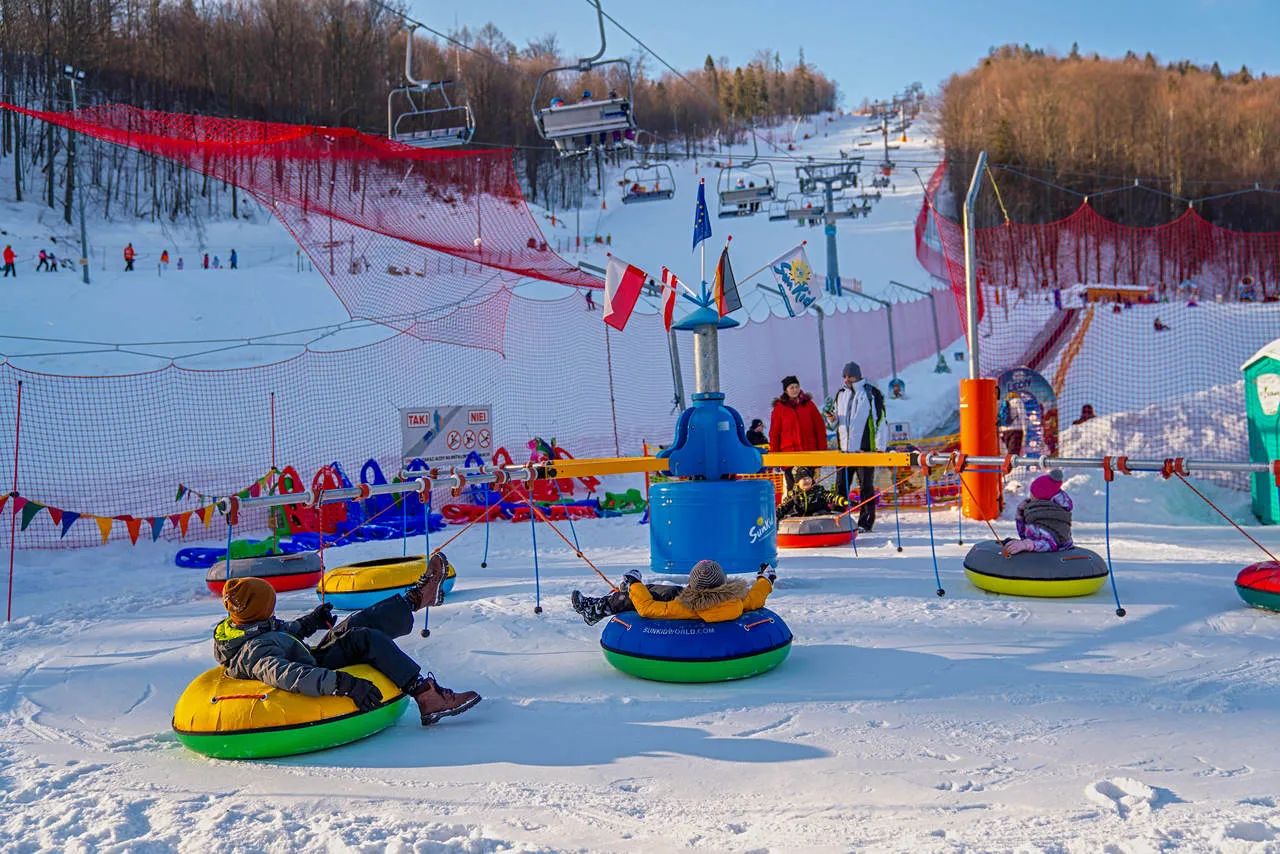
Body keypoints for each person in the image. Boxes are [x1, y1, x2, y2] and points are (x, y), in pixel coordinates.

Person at [213, 553, 481, 726]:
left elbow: (279, 630)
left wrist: (310, 622)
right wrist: (343, 684)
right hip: (315, 667)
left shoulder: (245, 626)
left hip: (311, 654)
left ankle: (417, 598)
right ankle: (426, 696)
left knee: (353, 623)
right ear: (259, 609)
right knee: (363, 637)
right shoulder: (256, 652)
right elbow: (289, 675)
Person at [569, 560, 775, 626]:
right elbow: (756, 596)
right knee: (663, 590)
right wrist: (766, 578)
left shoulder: (684, 606)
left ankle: (594, 610)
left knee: (630, 599)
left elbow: (647, 609)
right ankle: (631, 591)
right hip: (706, 601)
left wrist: (634, 584)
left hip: (687, 606)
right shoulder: (737, 600)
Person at [828, 361, 886, 533]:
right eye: (845, 376)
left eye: (850, 376)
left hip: (864, 449)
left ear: (858, 376)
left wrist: (880, 446)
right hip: (844, 450)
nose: (847, 379)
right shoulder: (841, 394)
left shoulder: (870, 393)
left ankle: (866, 521)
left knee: (865, 486)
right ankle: (838, 518)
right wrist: (832, 420)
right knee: (840, 486)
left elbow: (880, 420)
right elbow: (838, 422)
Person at [769, 375, 827, 493]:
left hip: (809, 453)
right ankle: (793, 510)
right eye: (791, 387)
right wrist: (775, 457)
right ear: (786, 390)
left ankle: (812, 510)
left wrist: (822, 453)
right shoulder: (779, 409)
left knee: (811, 488)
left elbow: (820, 429)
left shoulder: (809, 405)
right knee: (793, 490)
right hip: (789, 455)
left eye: (796, 387)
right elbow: (774, 434)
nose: (794, 390)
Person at [1005, 469, 1073, 554]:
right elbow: (1025, 535)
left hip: (1056, 557)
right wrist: (1021, 516)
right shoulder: (1036, 513)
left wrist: (1027, 544)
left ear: (1039, 499)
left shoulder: (1050, 518)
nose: (1030, 496)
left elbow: (1049, 544)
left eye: (1032, 494)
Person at [777, 466, 848, 519]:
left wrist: (842, 500)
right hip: (801, 521)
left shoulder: (818, 490)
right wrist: (776, 514)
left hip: (818, 519)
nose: (807, 481)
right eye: (804, 479)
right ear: (797, 483)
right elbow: (784, 506)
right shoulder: (793, 494)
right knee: (791, 513)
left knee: (817, 513)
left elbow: (829, 496)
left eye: (809, 478)